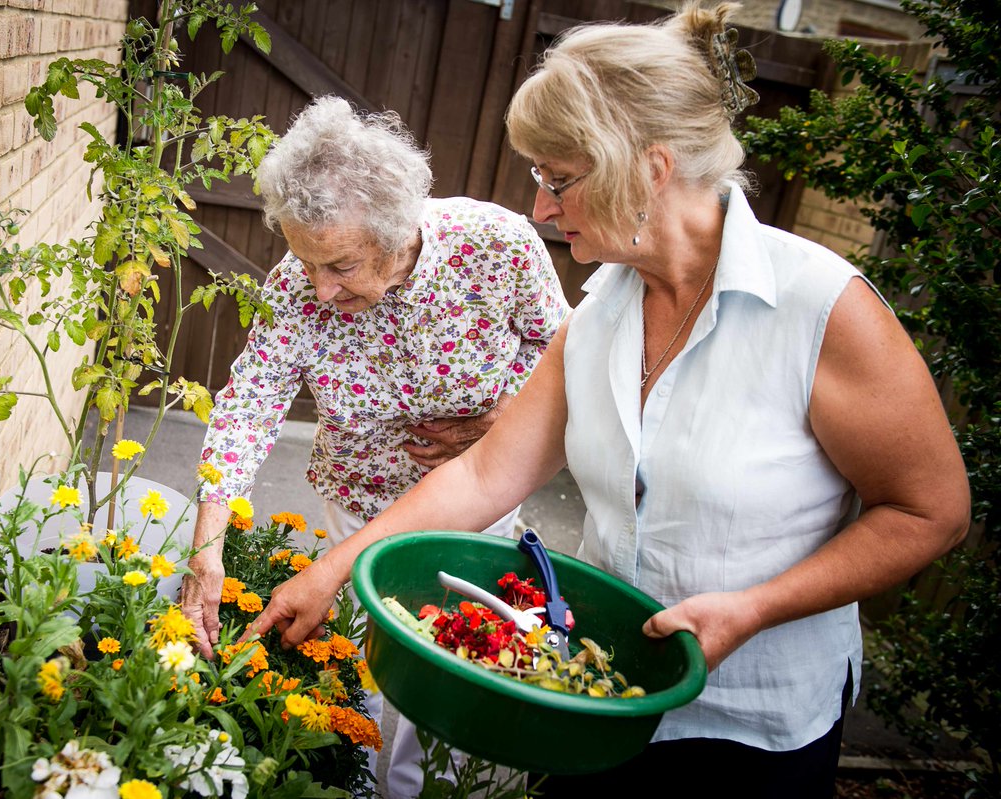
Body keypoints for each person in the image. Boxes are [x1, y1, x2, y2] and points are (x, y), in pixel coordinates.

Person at [246, 4, 972, 796]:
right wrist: (333, 572)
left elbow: (930, 511)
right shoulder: (598, 318)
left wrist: (753, 608)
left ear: (650, 168)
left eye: (558, 180)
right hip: (594, 698)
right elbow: (484, 474)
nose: (541, 209)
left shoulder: (819, 309)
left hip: (749, 729)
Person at [182, 96, 568, 796]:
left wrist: (500, 417)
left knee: (453, 680)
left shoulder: (497, 247)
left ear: (396, 234)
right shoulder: (298, 292)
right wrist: (206, 543)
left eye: (341, 265)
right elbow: (248, 405)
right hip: (358, 506)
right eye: (306, 261)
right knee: (364, 677)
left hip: (477, 508)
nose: (320, 289)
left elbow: (560, 349)